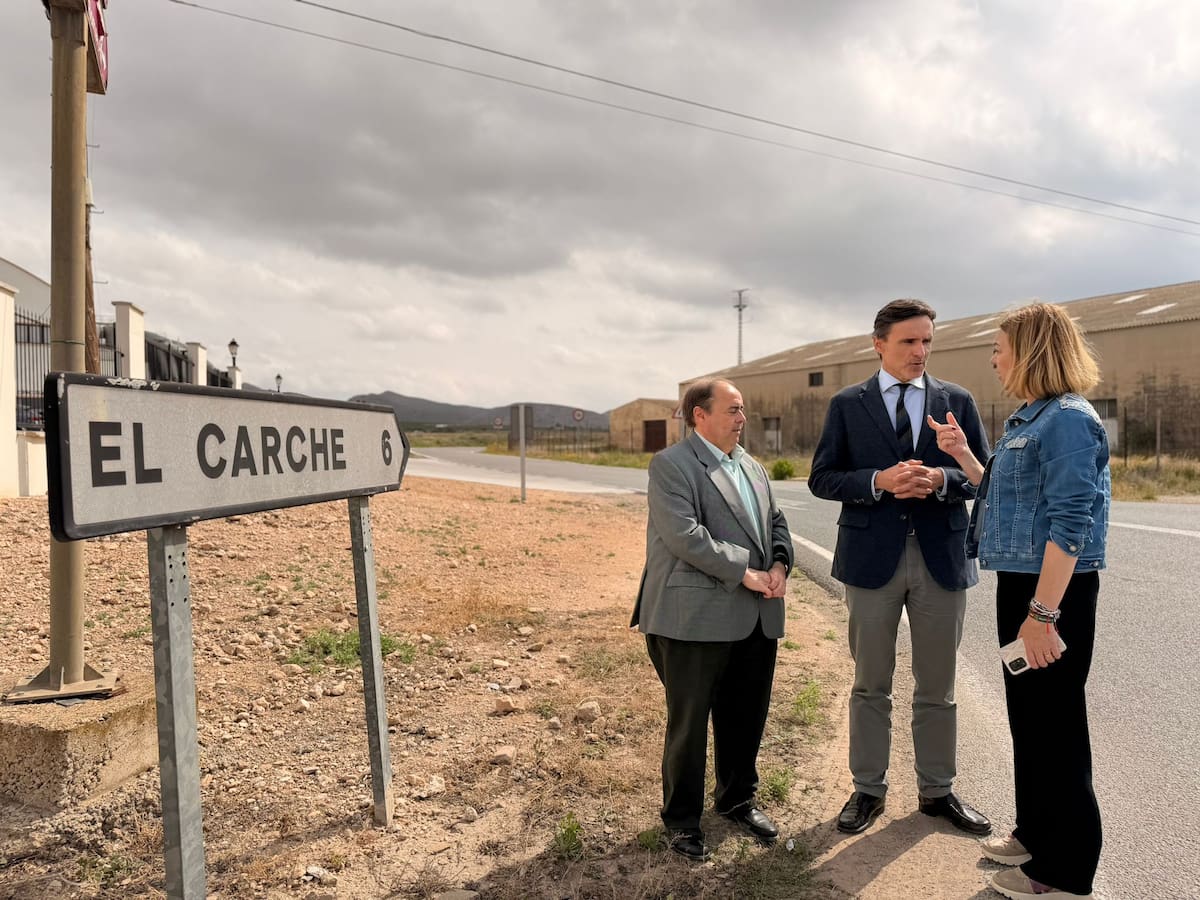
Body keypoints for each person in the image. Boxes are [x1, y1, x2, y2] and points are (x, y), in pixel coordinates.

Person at [928, 302, 1109, 900]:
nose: (994, 359)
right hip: (1024, 586)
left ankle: (1065, 873)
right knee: (1030, 722)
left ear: (1030, 351)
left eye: (1000, 348)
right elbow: (1007, 500)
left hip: (1053, 591)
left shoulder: (1068, 421)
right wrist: (963, 457)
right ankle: (1035, 836)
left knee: (1056, 728)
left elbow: (1070, 523)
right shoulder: (1030, 419)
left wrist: (1043, 614)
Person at [809, 298, 993, 837]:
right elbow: (823, 478)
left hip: (942, 558)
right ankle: (868, 789)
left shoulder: (956, 400)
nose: (921, 351)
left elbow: (983, 478)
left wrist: (941, 481)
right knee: (871, 684)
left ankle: (937, 792)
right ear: (879, 344)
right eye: (910, 341)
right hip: (872, 561)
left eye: (927, 341)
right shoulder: (847, 404)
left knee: (938, 684)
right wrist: (877, 482)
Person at [631, 378, 794, 861]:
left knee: (746, 716)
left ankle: (737, 799)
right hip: (692, 618)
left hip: (756, 617)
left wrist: (781, 564)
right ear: (699, 415)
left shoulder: (754, 467)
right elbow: (684, 535)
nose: (742, 419)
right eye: (733, 410)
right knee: (689, 725)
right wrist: (745, 572)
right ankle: (682, 820)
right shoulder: (671, 465)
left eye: (743, 410)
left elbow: (776, 523)